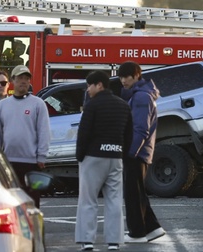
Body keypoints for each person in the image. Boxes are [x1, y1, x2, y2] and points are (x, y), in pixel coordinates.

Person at [74, 71, 133, 251]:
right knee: (114, 200)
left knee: (88, 199)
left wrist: (80, 155)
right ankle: (114, 241)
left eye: (89, 86)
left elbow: (84, 133)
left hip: (93, 157)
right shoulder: (123, 105)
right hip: (115, 157)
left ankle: (87, 240)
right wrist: (121, 153)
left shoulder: (92, 106)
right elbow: (129, 134)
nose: (88, 90)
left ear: (99, 85)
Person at [118, 61, 166, 243]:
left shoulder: (140, 97)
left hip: (136, 152)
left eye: (127, 76)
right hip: (140, 152)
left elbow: (140, 129)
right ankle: (152, 228)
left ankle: (137, 233)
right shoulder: (141, 95)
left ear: (137, 75)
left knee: (132, 194)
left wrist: (130, 152)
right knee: (137, 192)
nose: (123, 80)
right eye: (121, 76)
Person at [0, 65, 50, 208]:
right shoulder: (2, 106)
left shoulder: (38, 104)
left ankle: (32, 229)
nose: (23, 81)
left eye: (26, 78)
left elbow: (44, 131)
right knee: (9, 202)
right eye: (20, 78)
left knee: (31, 203)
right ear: (13, 80)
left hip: (31, 162)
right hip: (8, 162)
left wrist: (42, 155)